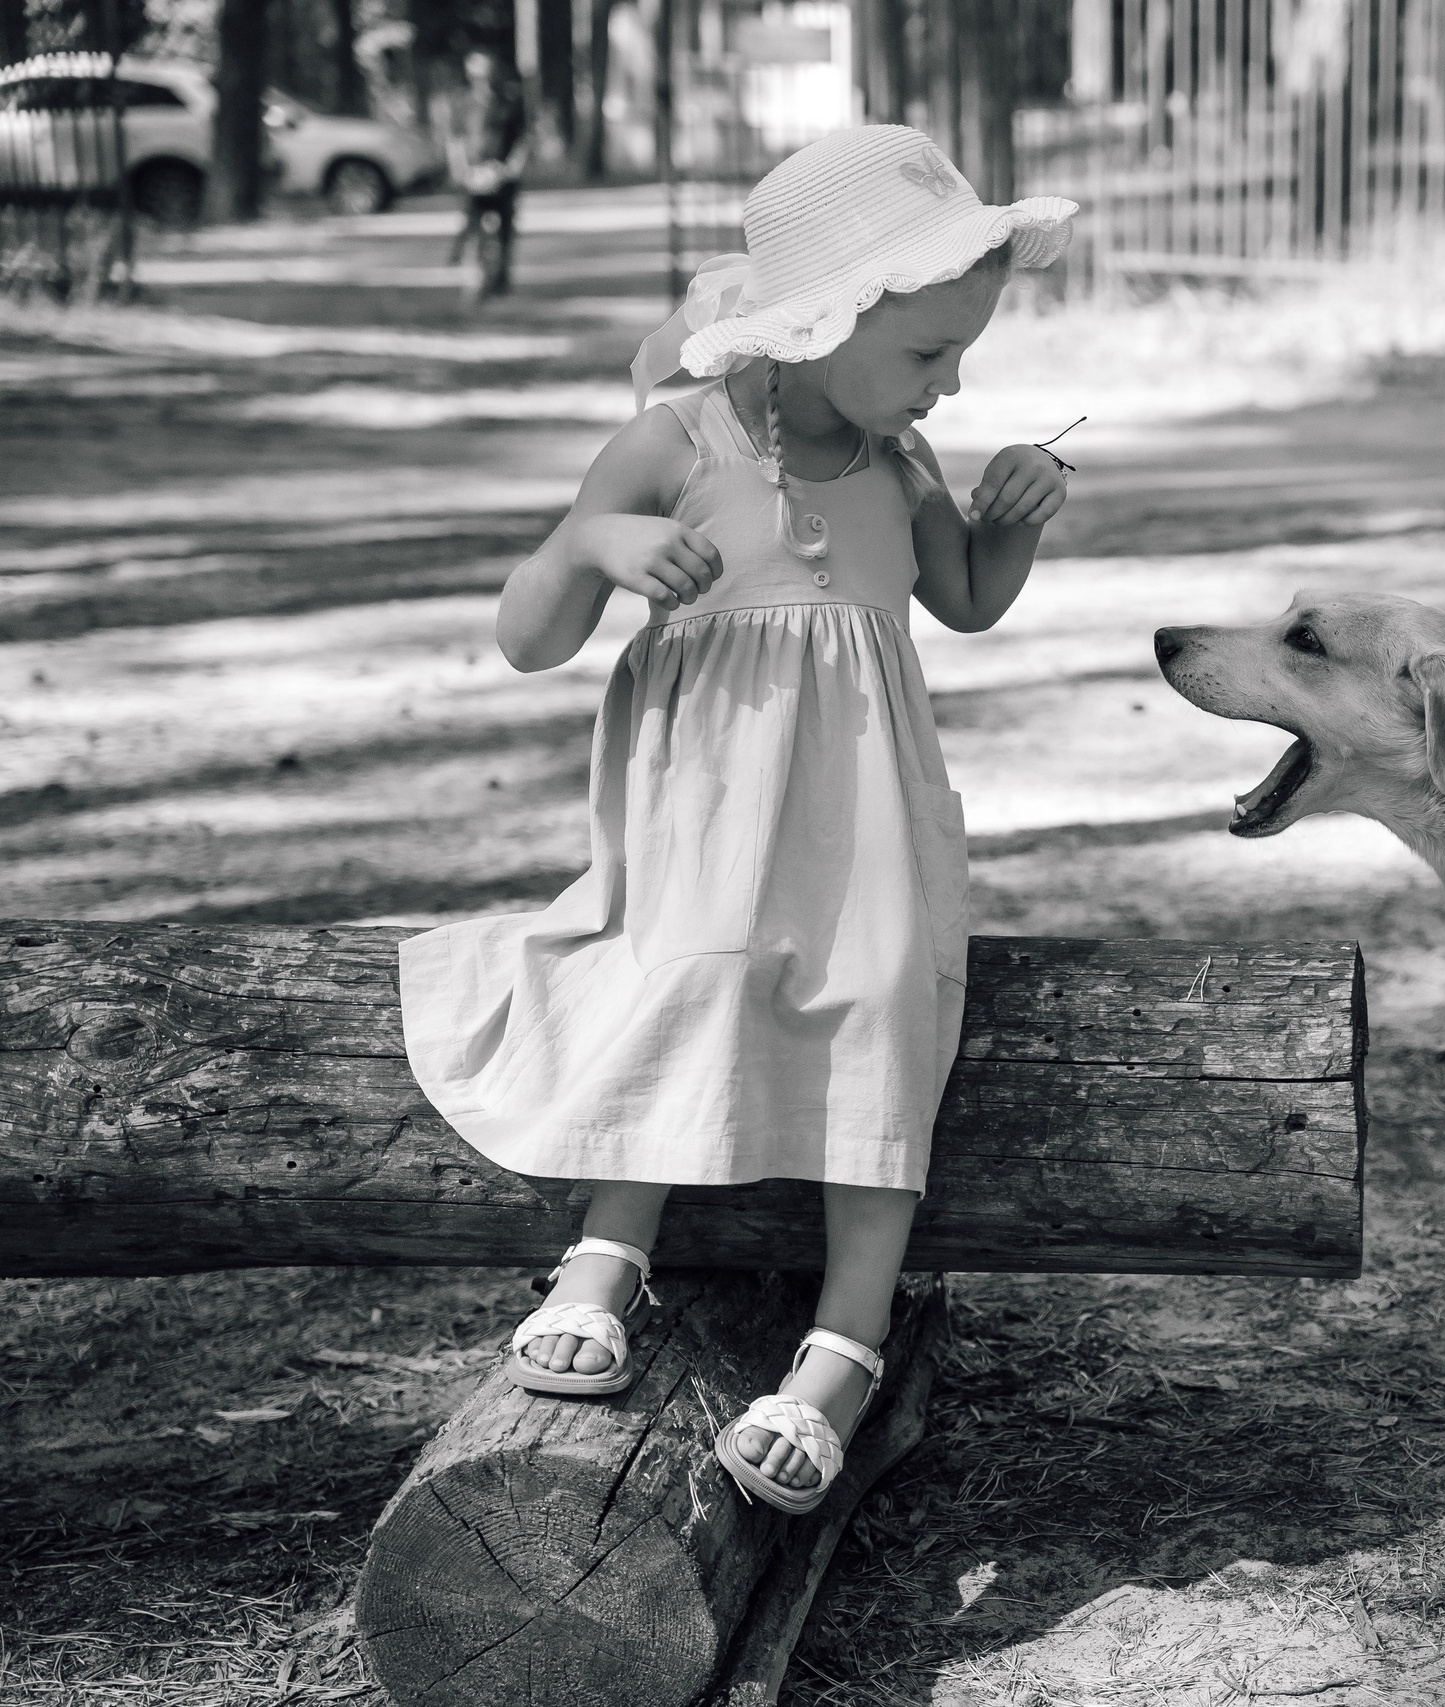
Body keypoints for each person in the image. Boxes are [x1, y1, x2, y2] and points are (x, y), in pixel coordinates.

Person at [398, 127, 1077, 1514]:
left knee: (884, 1013)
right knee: (688, 975)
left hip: (870, 822)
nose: (952, 382)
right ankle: (607, 1257)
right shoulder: (676, 441)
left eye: (959, 354)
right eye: (931, 351)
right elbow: (528, 637)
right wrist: (595, 544)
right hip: (709, 819)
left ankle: (843, 1349)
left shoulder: (902, 461)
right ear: (820, 318)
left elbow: (963, 597)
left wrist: (1014, 514)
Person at [444, 48, 530, 294]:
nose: (482, 78)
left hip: (503, 176)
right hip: (472, 176)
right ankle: (476, 274)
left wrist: (511, 168)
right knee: (472, 224)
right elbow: (455, 139)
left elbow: (523, 138)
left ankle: (502, 277)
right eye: (476, 73)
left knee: (505, 228)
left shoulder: (510, 101)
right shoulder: (462, 102)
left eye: (486, 73)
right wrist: (461, 170)